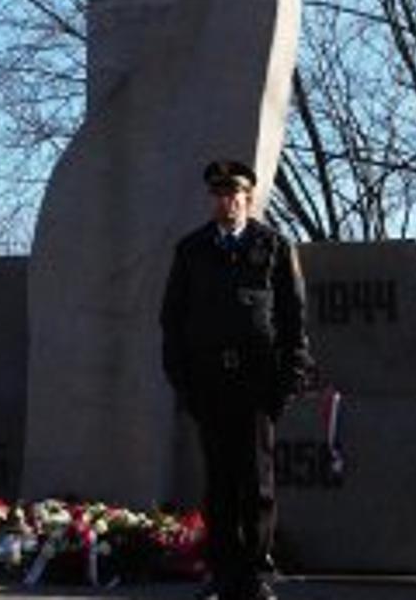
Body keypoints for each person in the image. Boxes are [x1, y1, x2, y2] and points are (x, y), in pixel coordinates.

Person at [160, 160, 312, 600]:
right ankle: (222, 572)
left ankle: (255, 572)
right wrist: (183, 382)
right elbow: (172, 320)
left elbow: (292, 319)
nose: (226, 203)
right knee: (219, 482)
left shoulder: (274, 247)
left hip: (257, 382)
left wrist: (287, 381)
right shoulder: (191, 250)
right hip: (209, 383)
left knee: (257, 483)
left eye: (234, 195)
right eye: (219, 195)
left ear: (248, 197)